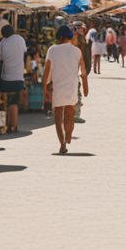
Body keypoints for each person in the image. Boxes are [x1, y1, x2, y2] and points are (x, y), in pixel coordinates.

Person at [44, 24, 90, 154]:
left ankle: (62, 144)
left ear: (60, 37)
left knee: (58, 118)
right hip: (72, 87)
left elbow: (47, 72)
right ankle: (69, 135)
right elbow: (83, 71)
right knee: (70, 115)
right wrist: (86, 88)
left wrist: (45, 90)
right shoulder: (77, 51)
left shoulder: (52, 50)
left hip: (58, 88)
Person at [0, 24, 27, 131]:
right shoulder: (20, 39)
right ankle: (15, 125)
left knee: (6, 102)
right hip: (19, 79)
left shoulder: (3, 42)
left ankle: (7, 125)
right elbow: (25, 52)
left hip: (6, 79)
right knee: (14, 102)